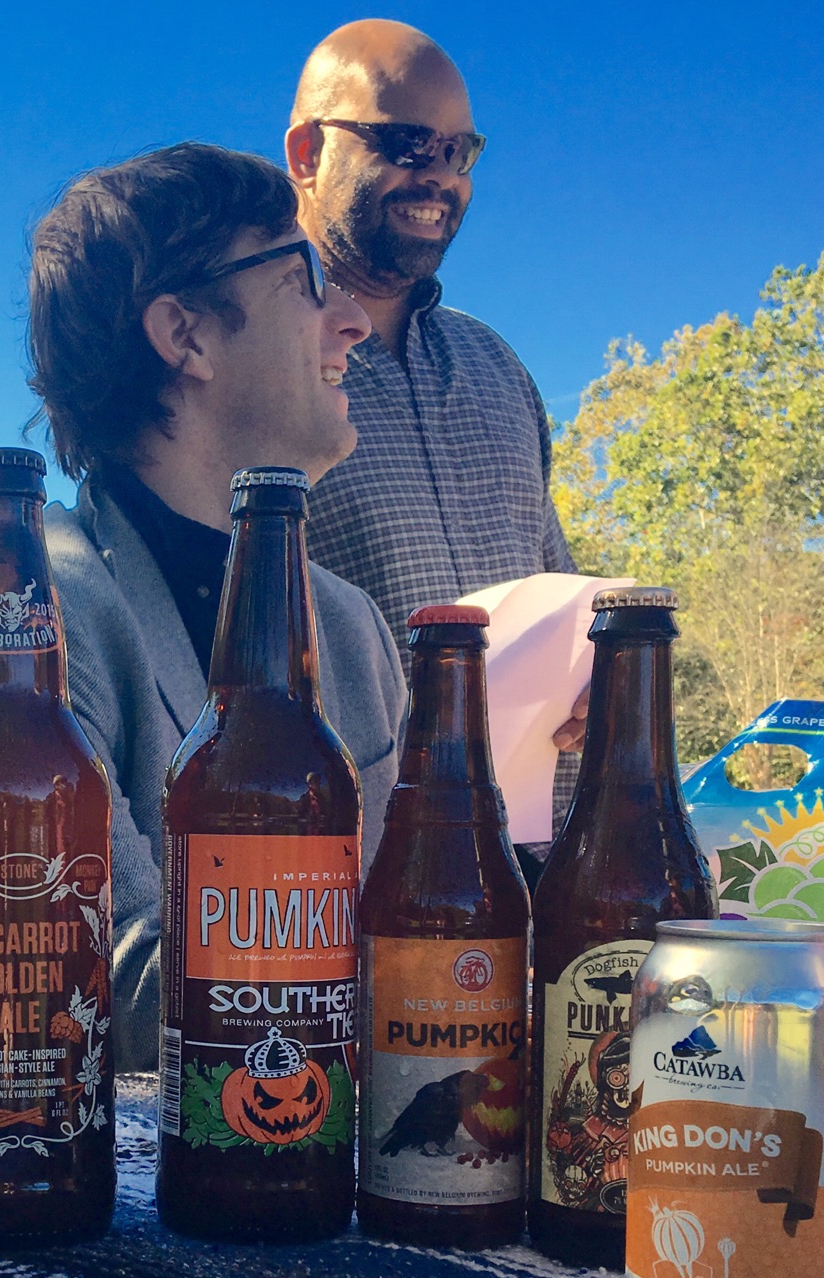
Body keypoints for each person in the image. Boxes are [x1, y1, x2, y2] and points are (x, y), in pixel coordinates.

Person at [0, 143, 407, 1074]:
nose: (354, 322)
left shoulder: (353, 628)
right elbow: (85, 981)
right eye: (307, 279)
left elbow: (429, 895)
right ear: (186, 334)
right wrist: (454, 987)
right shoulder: (15, 618)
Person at [283, 21, 588, 808]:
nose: (439, 177)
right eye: (406, 145)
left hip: (542, 860)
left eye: (459, 152)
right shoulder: (251, 359)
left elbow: (556, 595)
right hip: (350, 871)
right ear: (309, 154)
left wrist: (597, 674)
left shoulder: (497, 368)